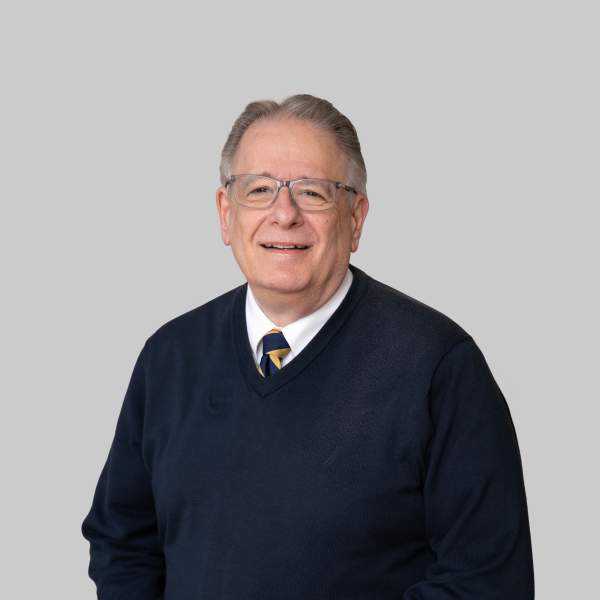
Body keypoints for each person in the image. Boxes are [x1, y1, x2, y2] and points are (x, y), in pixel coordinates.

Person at [81, 93, 534, 599]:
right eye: (259, 190)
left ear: (356, 218)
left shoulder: (439, 368)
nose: (284, 214)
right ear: (225, 213)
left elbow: (487, 583)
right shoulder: (169, 357)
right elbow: (122, 540)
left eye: (313, 193)